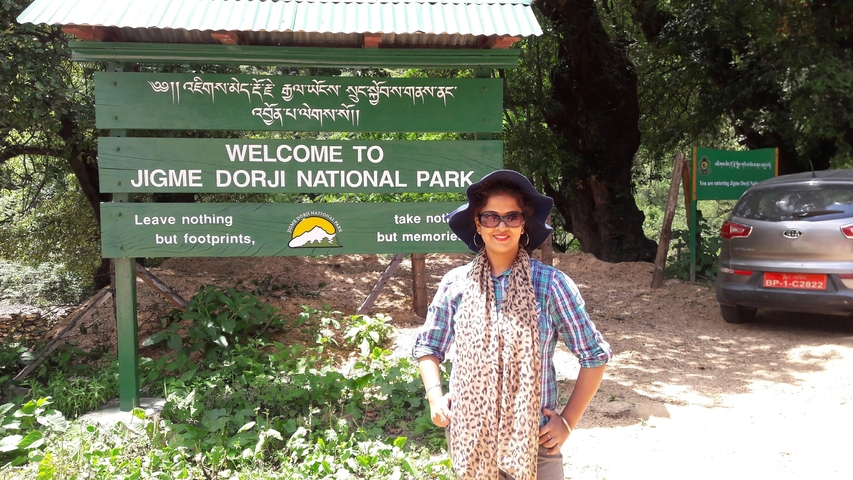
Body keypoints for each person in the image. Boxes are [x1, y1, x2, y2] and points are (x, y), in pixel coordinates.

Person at [413, 170, 612, 480]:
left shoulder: (550, 285)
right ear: (477, 224)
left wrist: (568, 422)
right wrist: (435, 397)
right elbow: (428, 347)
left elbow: (594, 356)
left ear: (524, 224)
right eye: (491, 217)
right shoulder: (456, 285)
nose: (501, 226)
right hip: (470, 439)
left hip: (535, 444)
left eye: (512, 217)